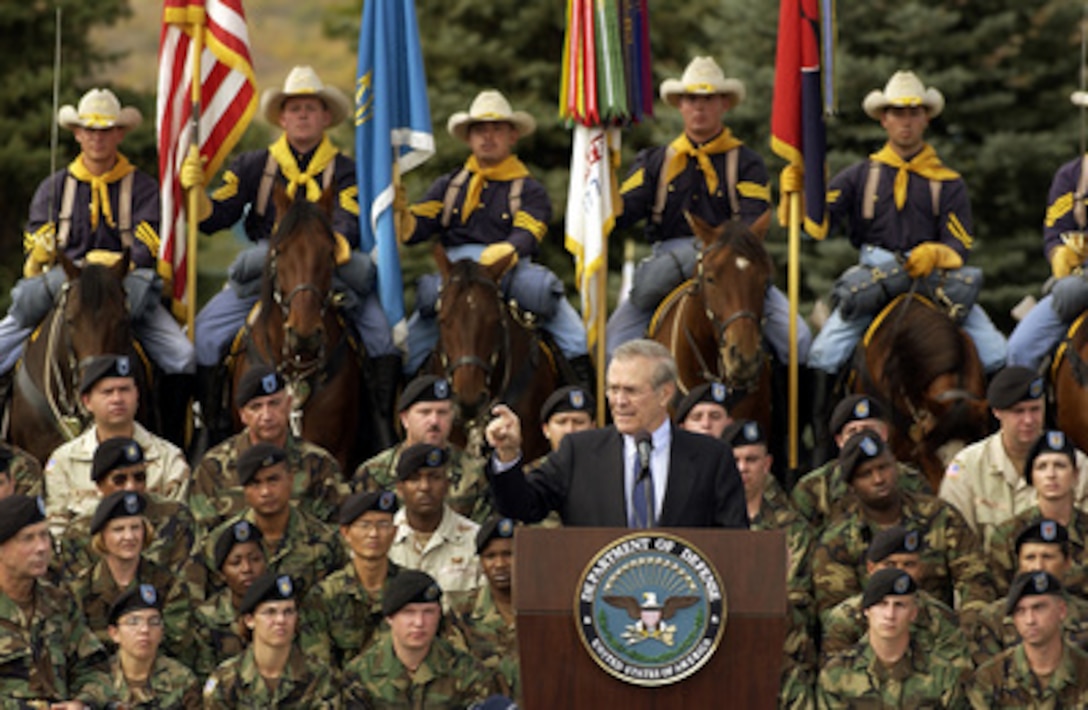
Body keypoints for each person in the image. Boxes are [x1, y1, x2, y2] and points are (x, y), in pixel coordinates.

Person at [181, 65, 400, 447]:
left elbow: (347, 219)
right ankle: (210, 424)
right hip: (265, 269)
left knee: (382, 336)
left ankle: (382, 430)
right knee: (206, 335)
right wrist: (197, 194)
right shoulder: (252, 166)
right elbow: (216, 218)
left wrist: (330, 246)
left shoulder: (346, 170)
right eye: (294, 108)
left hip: (327, 265)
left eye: (310, 108)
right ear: (282, 117)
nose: (302, 115)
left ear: (326, 117)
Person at [805, 70, 1007, 438]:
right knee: (825, 351)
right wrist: (806, 192)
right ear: (884, 118)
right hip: (876, 273)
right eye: (897, 112)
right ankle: (817, 442)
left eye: (914, 112)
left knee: (995, 350)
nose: (906, 120)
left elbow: (959, 242)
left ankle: (991, 436)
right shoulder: (858, 175)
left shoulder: (947, 181)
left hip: (933, 277)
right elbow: (819, 226)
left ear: (926, 118)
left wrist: (936, 252)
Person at [0, 88, 194, 438]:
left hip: (125, 281)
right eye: (89, 130)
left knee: (181, 354)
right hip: (65, 280)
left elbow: (146, 244)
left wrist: (106, 263)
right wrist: (41, 249)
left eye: (105, 131)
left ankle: (174, 436)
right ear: (77, 134)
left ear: (120, 134)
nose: (97, 138)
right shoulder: (54, 186)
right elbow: (36, 234)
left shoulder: (143, 187)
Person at [607, 57, 810, 366]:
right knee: (612, 344)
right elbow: (623, 214)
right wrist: (604, 184)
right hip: (668, 259)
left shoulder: (746, 161)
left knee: (799, 339)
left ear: (724, 104)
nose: (699, 107)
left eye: (708, 99)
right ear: (680, 106)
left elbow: (753, 219)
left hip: (732, 263)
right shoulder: (654, 161)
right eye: (691, 99)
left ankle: (790, 411)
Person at [396, 89, 592, 387]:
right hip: (456, 274)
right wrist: (398, 210)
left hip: (510, 270)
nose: (488, 137)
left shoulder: (528, 188)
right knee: (406, 348)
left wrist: (506, 250)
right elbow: (416, 228)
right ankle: (397, 413)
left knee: (576, 339)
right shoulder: (448, 186)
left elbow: (530, 231)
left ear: (512, 136)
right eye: (479, 130)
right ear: (469, 138)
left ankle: (583, 405)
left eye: (497, 129)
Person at [485, 339, 748, 527]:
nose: (618, 401)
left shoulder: (712, 457)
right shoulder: (579, 452)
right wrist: (507, 455)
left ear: (665, 393)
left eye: (631, 390)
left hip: (685, 601)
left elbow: (734, 543)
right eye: (613, 389)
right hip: (598, 602)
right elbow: (522, 508)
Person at [812, 431, 994, 614]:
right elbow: (837, 615)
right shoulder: (838, 540)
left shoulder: (939, 516)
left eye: (883, 467)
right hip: (874, 635)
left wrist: (968, 629)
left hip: (939, 633)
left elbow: (975, 578)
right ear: (851, 485)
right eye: (866, 474)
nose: (879, 479)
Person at [940, 366, 1088, 549]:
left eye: (1035, 410)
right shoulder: (968, 467)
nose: (1028, 420)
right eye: (1018, 411)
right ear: (997, 412)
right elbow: (954, 543)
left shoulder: (1076, 464)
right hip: (989, 574)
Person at [44, 354, 191, 537]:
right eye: (107, 392)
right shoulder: (64, 461)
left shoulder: (168, 458)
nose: (117, 399)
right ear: (87, 401)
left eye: (124, 390)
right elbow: (56, 531)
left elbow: (180, 528)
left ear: (137, 395)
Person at [722, 420, 815, 707]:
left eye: (751, 459)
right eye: (735, 460)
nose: (742, 468)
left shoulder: (791, 528)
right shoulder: (707, 523)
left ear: (767, 463)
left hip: (780, 643)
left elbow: (798, 596)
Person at [190, 364, 344, 530]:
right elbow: (201, 538)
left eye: (274, 403)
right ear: (242, 414)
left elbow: (341, 531)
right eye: (256, 407)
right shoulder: (214, 467)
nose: (267, 416)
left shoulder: (319, 464)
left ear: (289, 405)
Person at [0, 495, 110, 706]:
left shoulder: (59, 603)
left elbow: (94, 668)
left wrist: (82, 702)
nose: (41, 547)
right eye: (28, 538)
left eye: (44, 536)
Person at [200, 442, 346, 598]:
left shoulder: (325, 540)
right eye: (255, 483)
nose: (265, 492)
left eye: (273, 480)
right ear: (244, 490)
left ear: (290, 480)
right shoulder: (219, 542)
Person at [1007, 92, 1088, 370]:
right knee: (1020, 349)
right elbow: (1055, 231)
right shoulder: (1072, 176)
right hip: (1081, 283)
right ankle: (1035, 411)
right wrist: (1060, 256)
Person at [342, 569, 500, 707]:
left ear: (439, 615)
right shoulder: (361, 674)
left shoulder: (467, 671)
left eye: (428, 612)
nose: (419, 623)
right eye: (409, 612)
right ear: (389, 618)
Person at [66, 491, 191, 664]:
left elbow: (176, 639)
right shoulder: (80, 588)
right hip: (97, 677)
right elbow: (76, 643)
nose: (129, 537)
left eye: (135, 528)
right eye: (118, 530)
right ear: (102, 537)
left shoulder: (166, 583)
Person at [820, 526, 969, 670]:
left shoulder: (939, 617)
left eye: (909, 564)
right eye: (890, 564)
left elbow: (957, 674)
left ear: (921, 569)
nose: (900, 572)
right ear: (871, 568)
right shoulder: (845, 618)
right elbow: (834, 676)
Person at [817, 568, 967, 708]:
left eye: (899, 605)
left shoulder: (943, 675)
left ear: (913, 613)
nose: (890, 615)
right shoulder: (837, 675)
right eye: (882, 604)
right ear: (866, 610)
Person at [353, 374, 492, 523]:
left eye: (442, 413)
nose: (434, 421)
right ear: (405, 419)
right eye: (425, 412)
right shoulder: (373, 473)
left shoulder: (476, 472)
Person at [58, 436, 197, 581]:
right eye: (119, 480)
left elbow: (189, 581)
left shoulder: (175, 516)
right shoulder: (79, 531)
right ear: (99, 485)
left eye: (139, 477)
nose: (131, 486)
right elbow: (75, 593)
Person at [790, 394, 931, 533]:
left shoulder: (913, 481)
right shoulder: (812, 489)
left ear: (884, 434)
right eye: (853, 432)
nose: (862, 439)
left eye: (869, 430)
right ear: (840, 441)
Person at [300, 490, 403, 670]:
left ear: (395, 532)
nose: (374, 533)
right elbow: (318, 664)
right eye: (364, 525)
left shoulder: (408, 589)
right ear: (346, 532)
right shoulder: (324, 596)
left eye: (383, 524)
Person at [203, 571, 339, 706]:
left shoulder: (319, 677)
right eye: (270, 612)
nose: (281, 620)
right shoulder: (226, 681)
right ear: (250, 620)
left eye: (288, 611)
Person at [969, 521, 1088, 667]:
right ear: (1019, 563)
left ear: (1067, 562)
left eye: (1048, 557)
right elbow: (988, 678)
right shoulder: (993, 619)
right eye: (1030, 558)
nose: (1038, 566)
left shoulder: (1084, 615)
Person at [987, 430, 1088, 598]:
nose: (1051, 475)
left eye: (1060, 466)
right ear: (1031, 476)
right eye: (1042, 467)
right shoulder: (1008, 535)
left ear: (1075, 475)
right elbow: (998, 598)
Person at [968, 572, 1088, 707]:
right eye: (1020, 611)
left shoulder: (1084, 671)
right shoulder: (991, 677)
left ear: (1061, 610)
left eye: (1039, 608)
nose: (1030, 620)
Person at [388, 444, 481, 600]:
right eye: (415, 478)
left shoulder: (475, 539)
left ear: (447, 485)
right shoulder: (382, 539)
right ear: (400, 488)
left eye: (434, 477)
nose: (425, 487)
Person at [448, 517, 520, 702]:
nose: (500, 564)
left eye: (509, 554)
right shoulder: (461, 612)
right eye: (490, 556)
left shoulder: (545, 607)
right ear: (480, 562)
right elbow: (457, 676)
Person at [103, 584, 201, 707]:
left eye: (154, 622)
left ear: (162, 632)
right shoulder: (96, 679)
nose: (145, 629)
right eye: (134, 622)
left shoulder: (182, 680)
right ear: (114, 633)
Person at [193, 520, 268, 680]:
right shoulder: (207, 617)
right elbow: (204, 675)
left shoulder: (281, 610)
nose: (247, 569)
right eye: (236, 562)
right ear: (221, 574)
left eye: (255, 559)